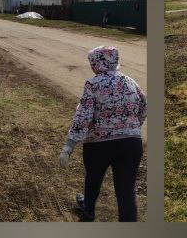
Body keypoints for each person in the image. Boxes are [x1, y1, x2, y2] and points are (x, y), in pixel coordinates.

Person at [60, 45, 146, 222]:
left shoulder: (93, 83)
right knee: (126, 191)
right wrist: (131, 127)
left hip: (99, 144)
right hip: (131, 144)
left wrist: (69, 145)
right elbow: (144, 108)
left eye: (92, 62)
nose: (92, 66)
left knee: (93, 177)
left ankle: (89, 207)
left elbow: (83, 115)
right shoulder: (131, 82)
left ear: (99, 63)